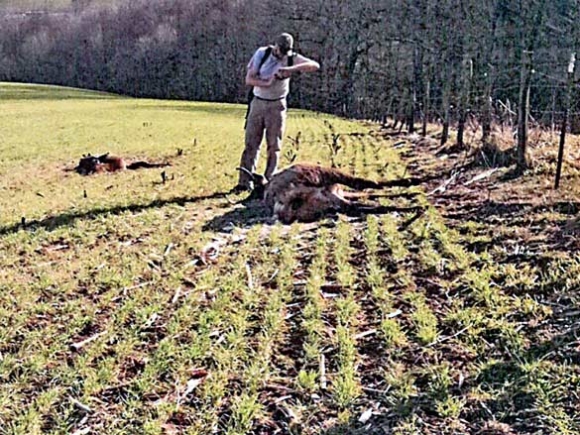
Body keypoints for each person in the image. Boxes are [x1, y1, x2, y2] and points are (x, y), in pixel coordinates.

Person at [233, 33, 320, 192]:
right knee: (251, 143)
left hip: (277, 105)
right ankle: (244, 182)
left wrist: (290, 69)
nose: (282, 55)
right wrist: (268, 82)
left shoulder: (291, 58)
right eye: (281, 51)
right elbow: (249, 79)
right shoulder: (262, 53)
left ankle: (269, 181)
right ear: (275, 46)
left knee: (274, 145)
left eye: (286, 52)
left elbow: (315, 65)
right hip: (258, 102)